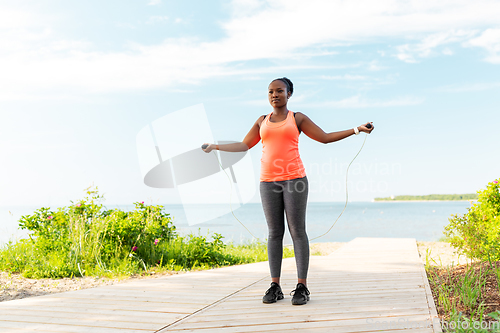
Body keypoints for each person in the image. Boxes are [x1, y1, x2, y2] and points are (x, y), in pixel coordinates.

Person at [202, 77, 374, 305]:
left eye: (279, 91)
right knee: (274, 233)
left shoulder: (297, 118)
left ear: (289, 94)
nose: (274, 95)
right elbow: (244, 146)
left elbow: (324, 138)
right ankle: (275, 286)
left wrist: (356, 129)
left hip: (295, 181)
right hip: (268, 182)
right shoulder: (262, 121)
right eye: (271, 91)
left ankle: (302, 286)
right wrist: (215, 146)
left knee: (297, 231)